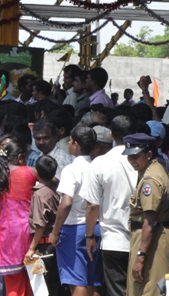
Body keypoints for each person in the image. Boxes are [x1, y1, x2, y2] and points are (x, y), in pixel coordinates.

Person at [81, 115, 137, 296]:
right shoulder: (143, 160)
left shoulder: (100, 163)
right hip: (141, 239)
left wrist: (89, 236)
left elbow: (92, 205)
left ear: (112, 135)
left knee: (117, 291)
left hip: (113, 240)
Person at [50, 126, 102, 296]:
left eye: (70, 141)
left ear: (76, 144)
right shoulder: (96, 167)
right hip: (96, 227)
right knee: (93, 282)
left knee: (77, 281)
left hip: (74, 230)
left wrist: (55, 231)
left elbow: (66, 203)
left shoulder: (71, 170)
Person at [123, 133, 169, 296]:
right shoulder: (150, 170)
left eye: (136, 156)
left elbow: (150, 221)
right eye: (129, 157)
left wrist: (141, 256)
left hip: (153, 239)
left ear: (149, 154)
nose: (132, 161)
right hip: (148, 237)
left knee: (148, 289)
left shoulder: (150, 180)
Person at [0, 137, 37, 296]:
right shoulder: (31, 172)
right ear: (21, 157)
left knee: (13, 284)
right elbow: (54, 184)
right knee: (33, 281)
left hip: (7, 234)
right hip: (30, 232)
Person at [25, 155, 64, 296]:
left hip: (45, 245)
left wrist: (31, 249)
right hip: (55, 245)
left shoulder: (39, 194)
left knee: (46, 287)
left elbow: (40, 225)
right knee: (54, 285)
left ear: (36, 172)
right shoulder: (54, 190)